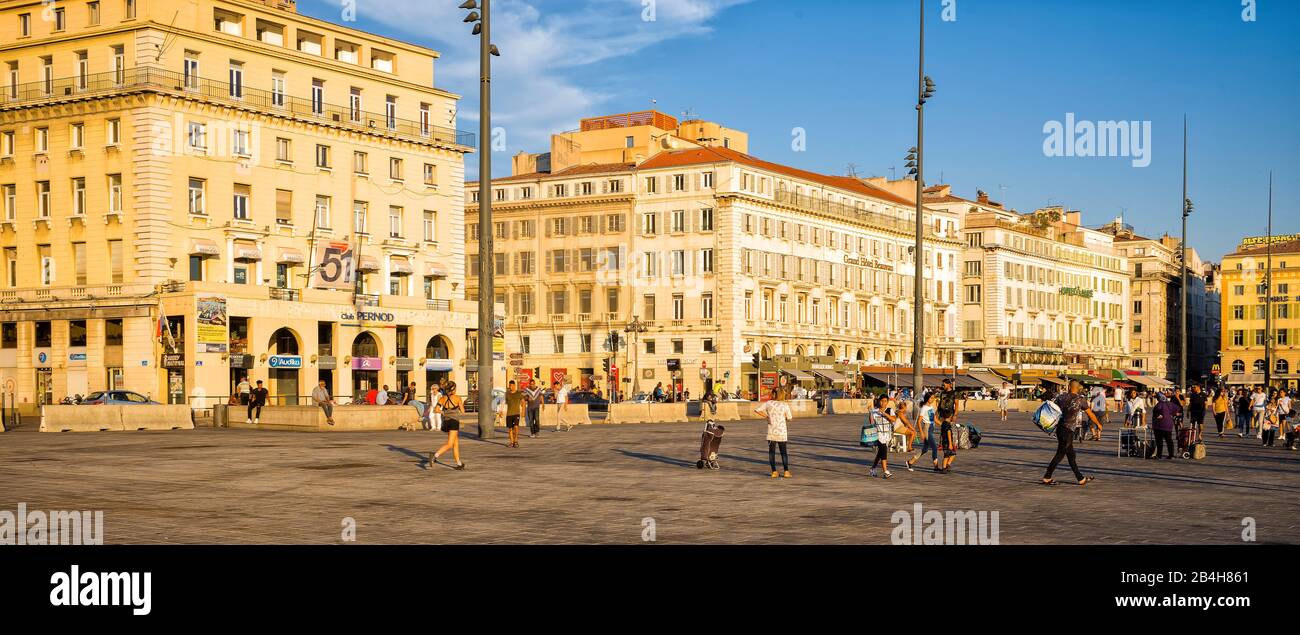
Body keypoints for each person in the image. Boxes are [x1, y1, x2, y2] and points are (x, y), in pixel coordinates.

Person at [1042, 380, 1097, 486]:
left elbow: (1052, 409)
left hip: (1060, 429)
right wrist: (1098, 425)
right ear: (1077, 388)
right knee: (1060, 454)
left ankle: (1080, 478)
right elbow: (1090, 414)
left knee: (1070, 455)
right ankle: (1047, 477)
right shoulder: (1080, 400)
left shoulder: (1061, 397)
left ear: (1069, 387)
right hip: (1068, 431)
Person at [754, 387, 793, 478]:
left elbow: (757, 410)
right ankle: (786, 471)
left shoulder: (768, 403)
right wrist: (785, 417)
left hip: (771, 430)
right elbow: (790, 418)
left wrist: (767, 416)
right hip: (781, 431)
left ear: (773, 394)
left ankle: (774, 471)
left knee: (771, 452)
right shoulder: (784, 405)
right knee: (783, 452)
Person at [431, 381, 466, 470]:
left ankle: (459, 463)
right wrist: (459, 406)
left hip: (446, 422)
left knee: (455, 443)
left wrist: (444, 412)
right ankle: (435, 456)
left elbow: (436, 409)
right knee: (450, 444)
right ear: (453, 389)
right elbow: (462, 411)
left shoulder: (442, 398)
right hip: (454, 422)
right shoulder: (458, 398)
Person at [906, 391, 942, 473]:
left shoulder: (931, 407)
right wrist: (921, 432)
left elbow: (935, 419)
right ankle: (936, 466)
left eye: (933, 398)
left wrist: (943, 425)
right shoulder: (924, 408)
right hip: (927, 429)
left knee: (925, 449)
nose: (932, 399)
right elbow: (919, 421)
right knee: (934, 448)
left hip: (931, 428)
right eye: (931, 398)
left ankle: (910, 462)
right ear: (927, 398)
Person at [935, 378, 960, 473]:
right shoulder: (942, 393)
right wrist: (937, 414)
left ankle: (949, 447)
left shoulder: (954, 393)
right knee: (944, 430)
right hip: (942, 414)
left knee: (948, 430)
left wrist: (955, 415)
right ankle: (947, 447)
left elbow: (957, 405)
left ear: (949, 384)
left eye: (944, 384)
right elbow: (939, 404)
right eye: (943, 384)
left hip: (949, 414)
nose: (943, 386)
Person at [867, 396, 895, 479]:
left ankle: (872, 468)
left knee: (880, 453)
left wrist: (884, 413)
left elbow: (893, 419)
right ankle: (885, 471)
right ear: (879, 401)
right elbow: (872, 422)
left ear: (888, 402)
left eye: (885, 401)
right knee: (883, 450)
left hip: (887, 434)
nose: (883, 403)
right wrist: (870, 412)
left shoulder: (890, 410)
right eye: (881, 401)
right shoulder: (875, 411)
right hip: (878, 434)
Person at [1150, 392, 1181, 460]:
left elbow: (1156, 415)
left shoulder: (1158, 405)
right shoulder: (1170, 404)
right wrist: (1173, 413)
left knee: (1159, 441)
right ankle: (1171, 455)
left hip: (1159, 426)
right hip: (1168, 425)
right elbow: (1178, 408)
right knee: (1169, 440)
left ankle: (1159, 455)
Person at [504, 380, 525, 448]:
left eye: (512, 385)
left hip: (516, 413)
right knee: (510, 429)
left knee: (516, 427)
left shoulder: (518, 393)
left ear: (514, 386)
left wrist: (523, 411)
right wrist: (500, 411)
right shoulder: (507, 394)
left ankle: (516, 441)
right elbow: (503, 403)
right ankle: (511, 442)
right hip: (509, 414)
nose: (511, 387)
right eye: (510, 386)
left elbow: (523, 402)